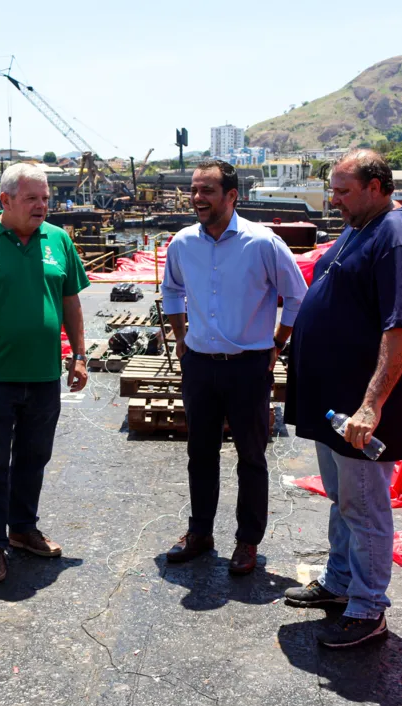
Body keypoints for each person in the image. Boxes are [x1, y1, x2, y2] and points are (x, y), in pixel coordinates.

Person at [283, 150, 402, 648]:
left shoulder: (398, 236)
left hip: (358, 410)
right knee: (343, 500)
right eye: (334, 189)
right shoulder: (359, 228)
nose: (335, 199)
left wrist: (372, 405)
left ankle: (368, 609)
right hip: (332, 404)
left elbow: (401, 325)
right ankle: (341, 583)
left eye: (343, 190)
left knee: (365, 505)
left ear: (376, 186)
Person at [0, 163, 90, 584]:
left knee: (34, 457)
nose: (42, 205)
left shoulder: (59, 241)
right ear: (5, 201)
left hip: (44, 375)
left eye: (45, 198)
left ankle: (23, 529)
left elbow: (72, 304)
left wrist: (79, 355)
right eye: (32, 198)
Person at [161, 159, 308, 575]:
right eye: (194, 189)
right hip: (199, 366)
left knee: (251, 456)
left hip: (248, 367)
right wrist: (181, 339)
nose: (197, 198)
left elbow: (297, 295)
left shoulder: (263, 243)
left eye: (207, 190)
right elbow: (171, 291)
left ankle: (247, 542)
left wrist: (278, 344)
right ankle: (200, 532)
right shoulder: (182, 244)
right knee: (200, 453)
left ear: (231, 196)